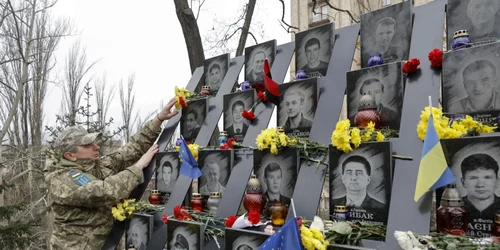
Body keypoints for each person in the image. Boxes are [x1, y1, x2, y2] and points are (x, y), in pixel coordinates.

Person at [43, 97, 179, 250]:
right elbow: (103, 191)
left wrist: (158, 120)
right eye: (87, 145)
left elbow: (128, 151)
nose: (96, 147)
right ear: (70, 156)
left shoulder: (95, 166)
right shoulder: (62, 180)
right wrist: (138, 167)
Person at [460, 153, 500, 219]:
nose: (480, 185)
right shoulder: (453, 207)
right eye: (473, 178)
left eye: (487, 177)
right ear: (463, 182)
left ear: (497, 181)